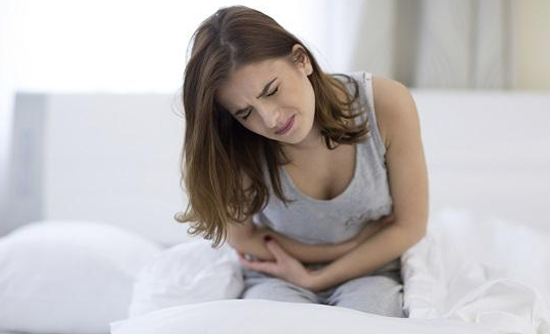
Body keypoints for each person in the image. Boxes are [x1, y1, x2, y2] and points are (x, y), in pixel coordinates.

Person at [175, 5, 428, 318]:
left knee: (367, 320)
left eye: (272, 90)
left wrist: (319, 276)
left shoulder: (385, 104)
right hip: (277, 275)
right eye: (245, 112)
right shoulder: (237, 142)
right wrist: (335, 252)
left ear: (301, 59)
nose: (270, 119)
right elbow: (242, 238)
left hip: (372, 270)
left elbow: (410, 226)